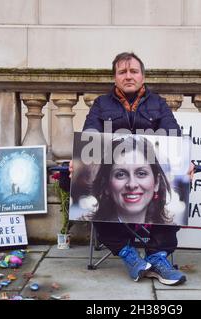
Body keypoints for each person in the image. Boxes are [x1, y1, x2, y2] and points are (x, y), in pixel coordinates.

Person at [72, 52, 193, 286]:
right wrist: (78, 161)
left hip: (148, 170)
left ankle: (157, 256)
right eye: (122, 72)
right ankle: (127, 252)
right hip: (114, 171)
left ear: (143, 76)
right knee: (91, 192)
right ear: (115, 77)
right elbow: (90, 135)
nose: (128, 76)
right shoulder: (101, 104)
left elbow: (174, 136)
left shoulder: (158, 103)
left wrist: (187, 162)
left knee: (182, 182)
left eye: (133, 71)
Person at [87, 135, 178, 225]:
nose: (132, 184)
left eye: (141, 173)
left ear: (156, 183)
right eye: (121, 174)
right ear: (106, 185)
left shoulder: (168, 232)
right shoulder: (86, 230)